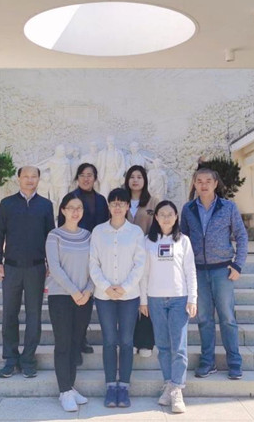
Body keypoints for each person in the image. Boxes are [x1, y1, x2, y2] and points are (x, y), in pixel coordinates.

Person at [180, 168, 248, 381]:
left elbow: (241, 236)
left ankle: (234, 362)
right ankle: (207, 361)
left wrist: (238, 265)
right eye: (199, 181)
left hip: (223, 271)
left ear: (215, 183)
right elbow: (183, 240)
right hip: (198, 271)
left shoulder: (228, 207)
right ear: (194, 184)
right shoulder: (188, 209)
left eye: (208, 181)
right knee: (204, 318)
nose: (204, 185)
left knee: (227, 317)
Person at [0, 166, 55, 379]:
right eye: (25, 176)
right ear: (18, 178)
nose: (29, 180)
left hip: (36, 268)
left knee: (34, 315)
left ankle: (28, 359)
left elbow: (50, 236)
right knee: (10, 313)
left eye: (33, 176)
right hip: (11, 268)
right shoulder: (7, 204)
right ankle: (10, 359)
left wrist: (50, 263)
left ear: (38, 179)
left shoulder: (45, 205)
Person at [89, 188, 146, 408]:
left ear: (127, 206)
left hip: (129, 296)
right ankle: (111, 386)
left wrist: (124, 287)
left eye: (121, 203)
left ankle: (124, 387)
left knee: (126, 341)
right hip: (104, 296)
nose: (117, 207)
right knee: (110, 341)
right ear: (108, 206)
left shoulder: (135, 232)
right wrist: (106, 287)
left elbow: (139, 264)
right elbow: (93, 263)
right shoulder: (98, 231)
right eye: (113, 203)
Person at [139, 201, 197, 414]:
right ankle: (168, 384)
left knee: (179, 346)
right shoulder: (148, 241)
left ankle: (177, 389)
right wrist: (143, 300)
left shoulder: (184, 241)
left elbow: (190, 271)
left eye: (170, 214)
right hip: (155, 299)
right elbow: (144, 273)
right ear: (156, 217)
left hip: (179, 299)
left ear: (176, 217)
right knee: (163, 345)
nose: (166, 218)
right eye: (161, 214)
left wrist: (193, 298)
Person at [45, 194, 94, 412]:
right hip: (61, 297)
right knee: (63, 343)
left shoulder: (88, 236)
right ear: (63, 210)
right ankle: (64, 391)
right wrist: (74, 292)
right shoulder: (54, 235)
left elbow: (95, 266)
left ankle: (70, 387)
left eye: (79, 208)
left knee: (75, 343)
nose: (75, 211)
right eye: (71, 207)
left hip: (84, 297)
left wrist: (88, 291)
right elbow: (55, 268)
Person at [57, 162, 109, 355]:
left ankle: (81, 339)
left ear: (95, 178)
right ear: (77, 178)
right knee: (74, 296)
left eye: (90, 175)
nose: (86, 178)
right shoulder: (70, 199)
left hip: (94, 252)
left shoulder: (101, 200)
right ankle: (73, 342)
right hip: (73, 253)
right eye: (82, 175)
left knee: (87, 298)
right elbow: (61, 226)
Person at [123, 165, 159, 358]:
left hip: (147, 256)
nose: (135, 180)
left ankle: (145, 342)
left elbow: (159, 227)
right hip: (124, 257)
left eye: (139, 177)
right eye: (132, 177)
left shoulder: (153, 202)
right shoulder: (121, 200)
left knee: (145, 297)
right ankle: (129, 340)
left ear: (145, 180)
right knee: (129, 299)